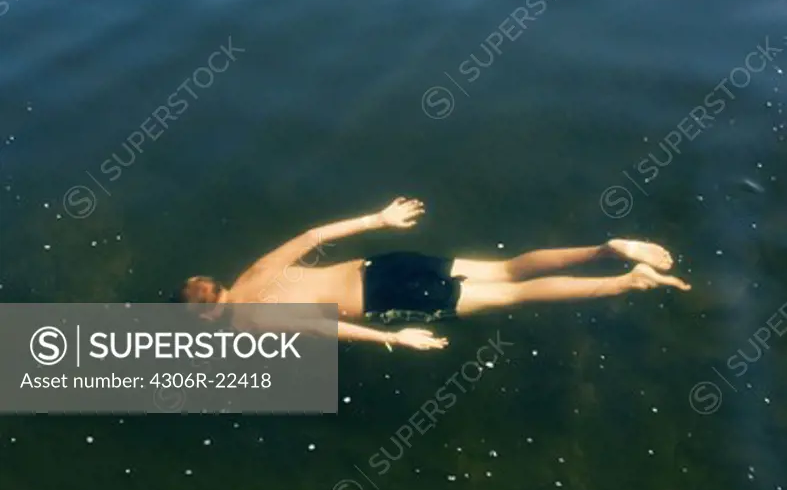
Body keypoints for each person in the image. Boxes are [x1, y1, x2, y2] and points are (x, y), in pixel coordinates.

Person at [176, 197, 690, 351]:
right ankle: (606, 249)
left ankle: (628, 280)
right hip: (386, 263)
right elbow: (314, 237)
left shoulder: (248, 320)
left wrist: (393, 339)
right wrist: (380, 219)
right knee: (507, 267)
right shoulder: (254, 271)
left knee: (512, 295)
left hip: (387, 295)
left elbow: (321, 327)